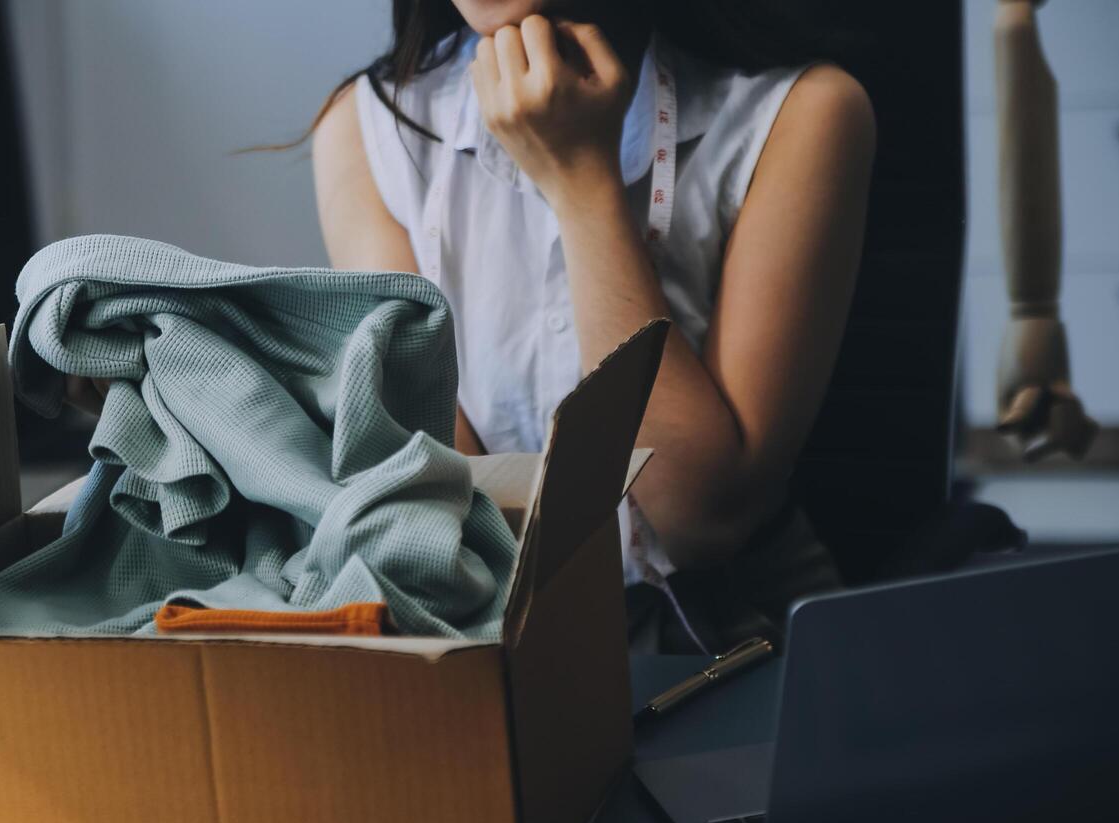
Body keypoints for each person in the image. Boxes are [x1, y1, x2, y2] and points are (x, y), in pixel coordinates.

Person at [307, 0, 874, 655]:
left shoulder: (804, 112)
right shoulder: (368, 128)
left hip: (740, 639)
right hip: (501, 635)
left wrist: (582, 185)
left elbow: (703, 521)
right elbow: (450, 511)